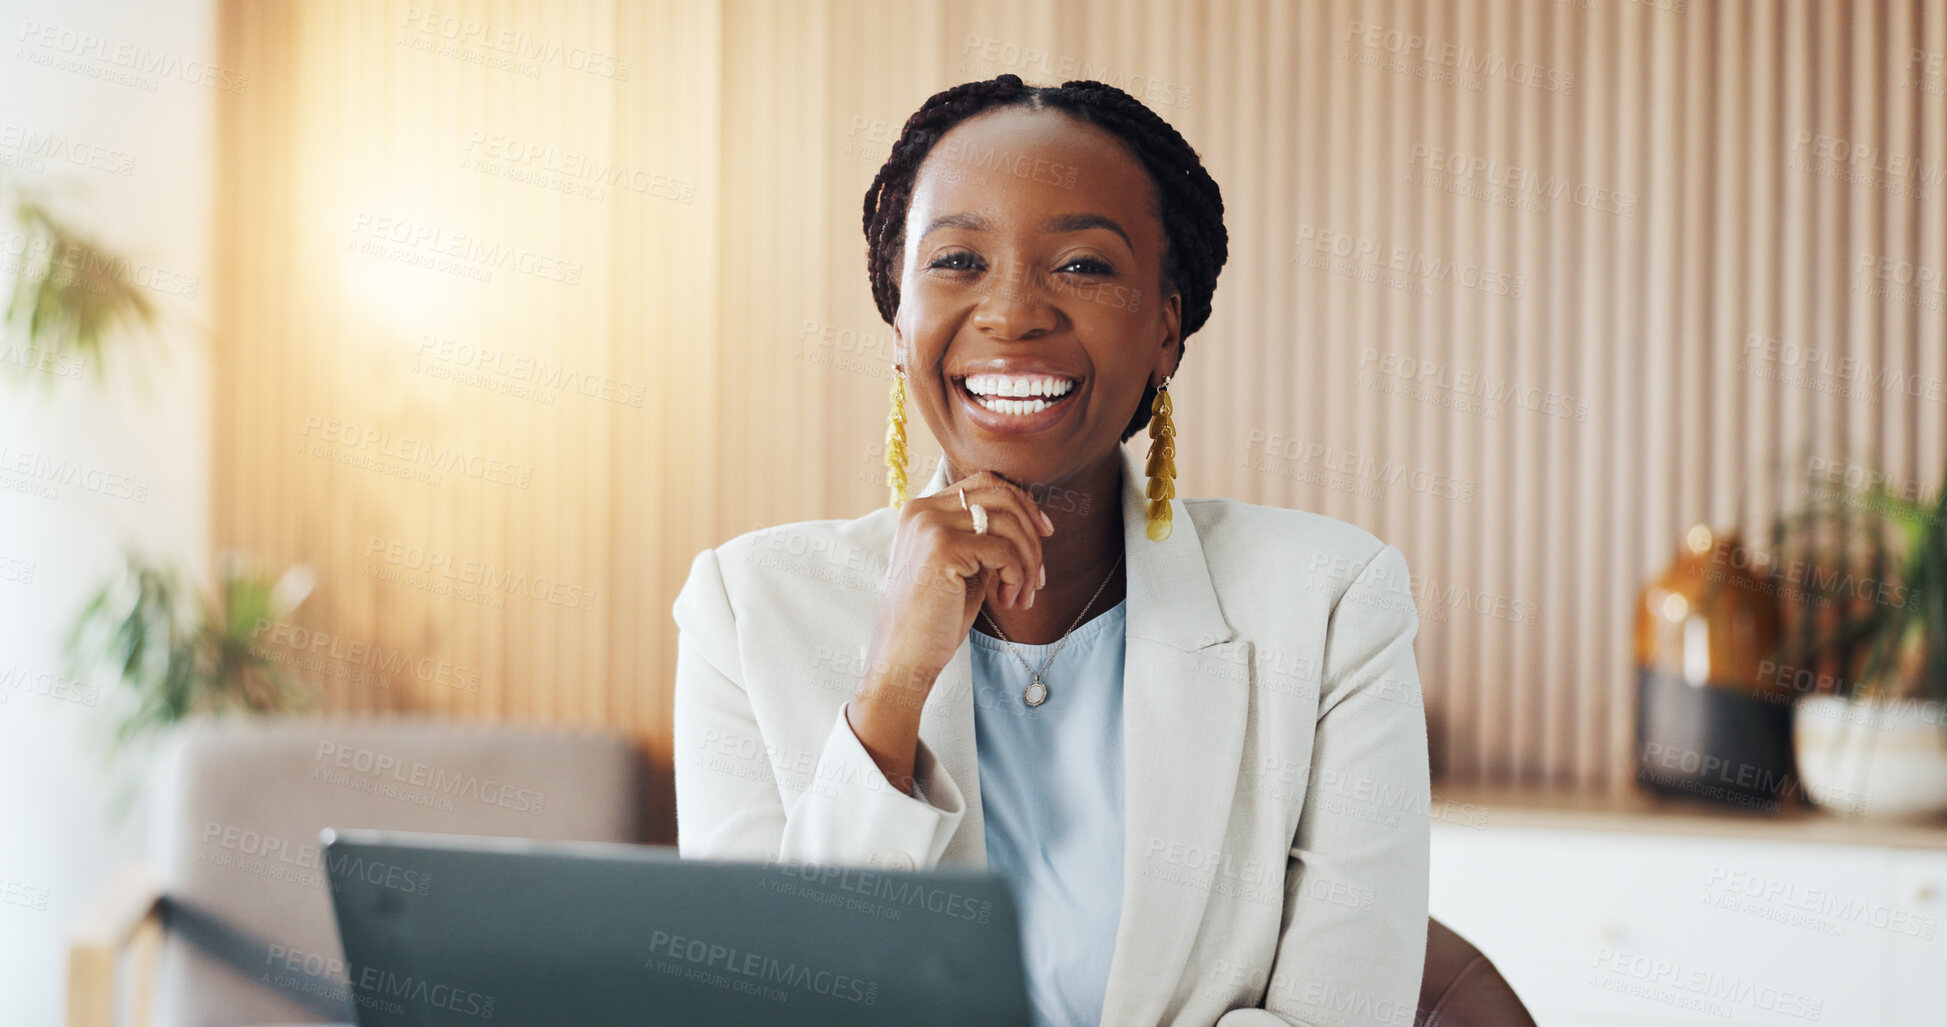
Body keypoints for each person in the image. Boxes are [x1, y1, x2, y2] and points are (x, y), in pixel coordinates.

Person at [673, 73, 1429, 1027]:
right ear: (898, 318)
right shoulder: (746, 607)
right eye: (956, 260)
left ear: (1165, 326)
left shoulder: (1330, 601)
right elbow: (760, 999)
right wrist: (889, 692)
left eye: (1080, 265)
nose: (1013, 312)